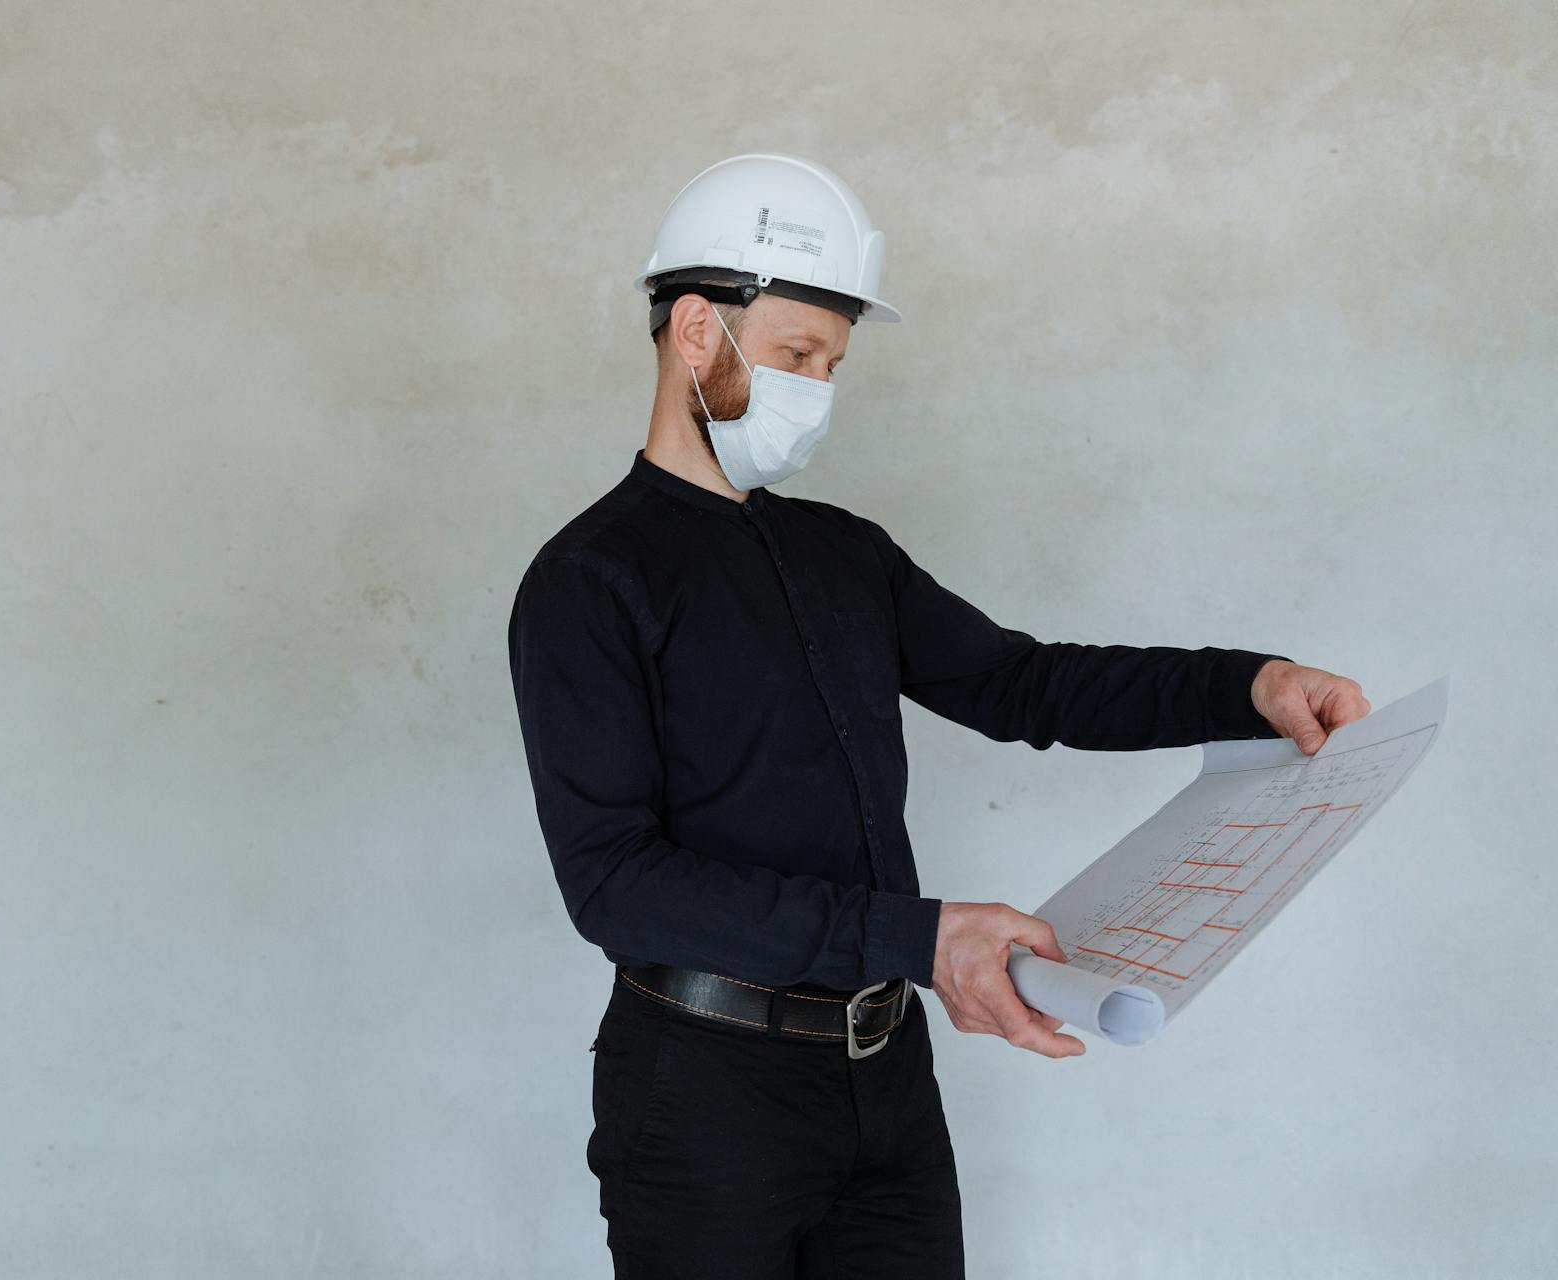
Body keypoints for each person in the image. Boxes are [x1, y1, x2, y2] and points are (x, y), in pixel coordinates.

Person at [504, 152, 1371, 1278]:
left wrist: (1245, 682)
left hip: (887, 1082)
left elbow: (1027, 682)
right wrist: (919, 936)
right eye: (796, 355)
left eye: (833, 363)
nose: (817, 387)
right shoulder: (590, 579)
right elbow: (614, 880)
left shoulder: (844, 554)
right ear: (696, 332)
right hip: (702, 1104)